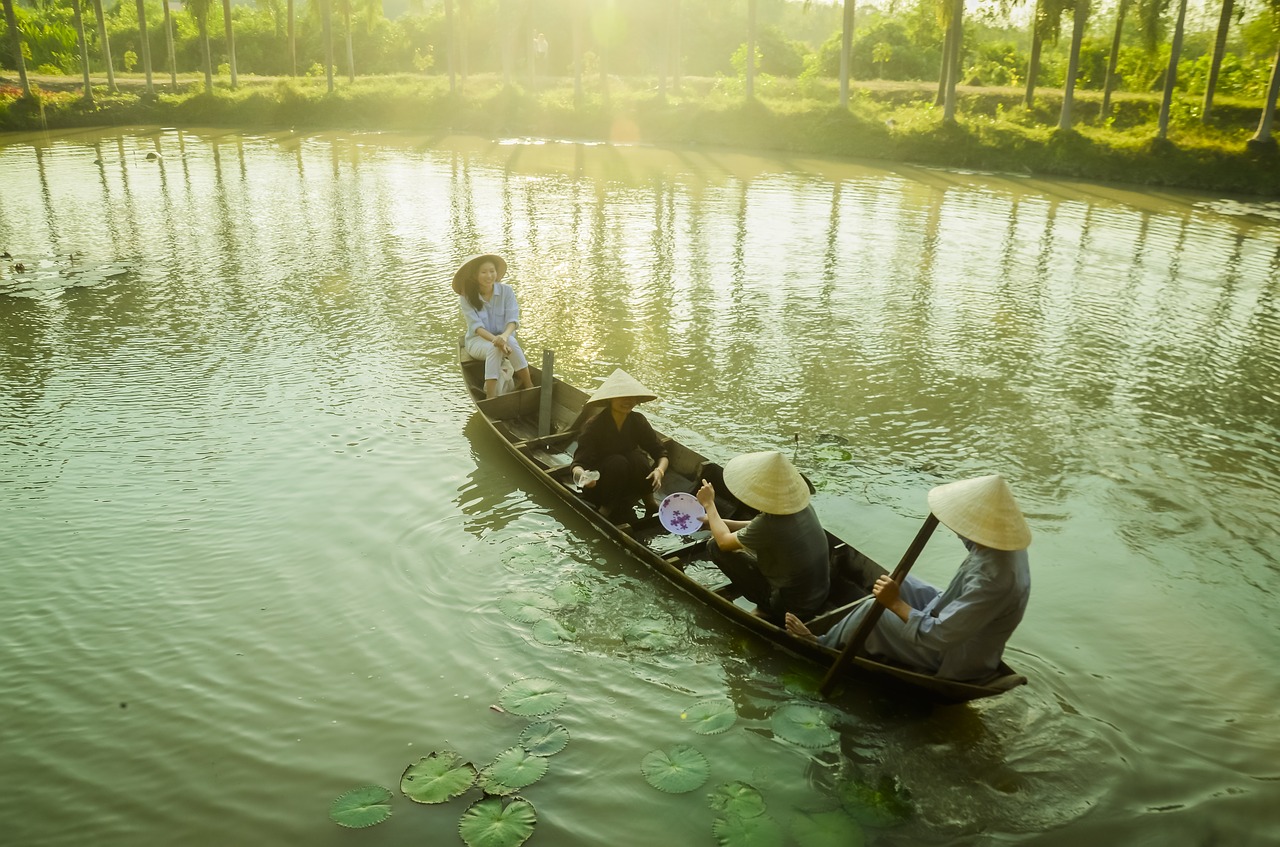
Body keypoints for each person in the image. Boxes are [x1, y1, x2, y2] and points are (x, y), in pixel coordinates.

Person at [786, 473, 1032, 682]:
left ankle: (821, 643)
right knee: (902, 580)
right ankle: (859, 627)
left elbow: (940, 636)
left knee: (876, 610)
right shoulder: (1002, 547)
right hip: (955, 622)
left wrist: (895, 604)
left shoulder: (993, 578)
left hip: (953, 655)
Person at [697, 451, 830, 625]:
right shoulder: (800, 506)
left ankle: (768, 608)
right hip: (819, 594)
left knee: (713, 546)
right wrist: (719, 521)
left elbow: (723, 542)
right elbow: (756, 527)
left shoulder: (771, 523)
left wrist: (709, 505)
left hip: (791, 607)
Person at [570, 369, 669, 520]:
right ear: (610, 399)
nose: (628, 401)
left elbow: (661, 454)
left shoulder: (638, 421)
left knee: (638, 459)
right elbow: (577, 465)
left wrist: (659, 472)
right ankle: (606, 508)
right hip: (601, 485)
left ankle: (650, 502)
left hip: (629, 482)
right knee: (618, 462)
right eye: (623, 397)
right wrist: (583, 476)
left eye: (632, 397)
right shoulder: (594, 425)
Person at [453, 253, 534, 399]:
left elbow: (512, 320)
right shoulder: (466, 298)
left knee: (512, 341)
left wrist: (503, 337)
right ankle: (490, 398)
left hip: (504, 337)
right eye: (484, 272)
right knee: (494, 348)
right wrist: (496, 341)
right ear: (475, 276)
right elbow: (476, 328)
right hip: (477, 341)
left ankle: (529, 386)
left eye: (492, 271)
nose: (489, 275)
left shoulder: (507, 291)